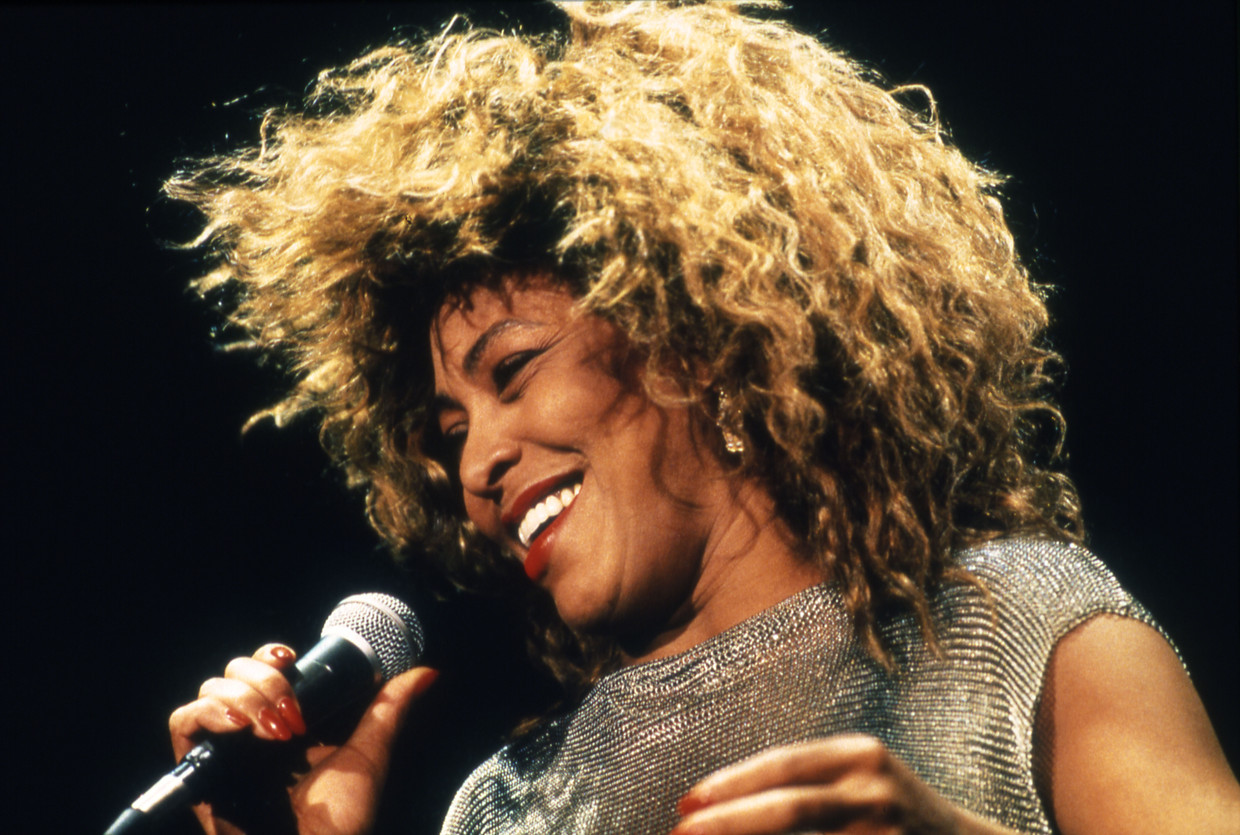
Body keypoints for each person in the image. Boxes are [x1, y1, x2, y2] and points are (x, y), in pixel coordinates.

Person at [164, 3, 1240, 834]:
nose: (480, 461)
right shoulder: (507, 806)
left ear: (700, 337)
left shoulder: (1012, 628)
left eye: (515, 370)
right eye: (450, 432)